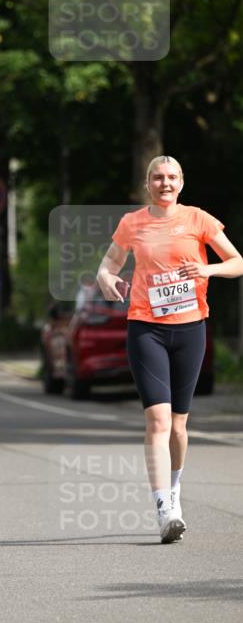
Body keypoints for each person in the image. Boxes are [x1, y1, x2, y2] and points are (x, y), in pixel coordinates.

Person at [96, 155, 243, 544]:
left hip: (191, 328)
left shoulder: (199, 219)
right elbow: (108, 265)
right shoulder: (132, 223)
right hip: (147, 328)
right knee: (158, 421)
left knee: (179, 425)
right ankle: (164, 510)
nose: (165, 183)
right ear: (148, 184)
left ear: (181, 183)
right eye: (158, 177)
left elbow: (237, 262)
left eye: (172, 177)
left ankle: (174, 492)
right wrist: (107, 279)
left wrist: (207, 270)